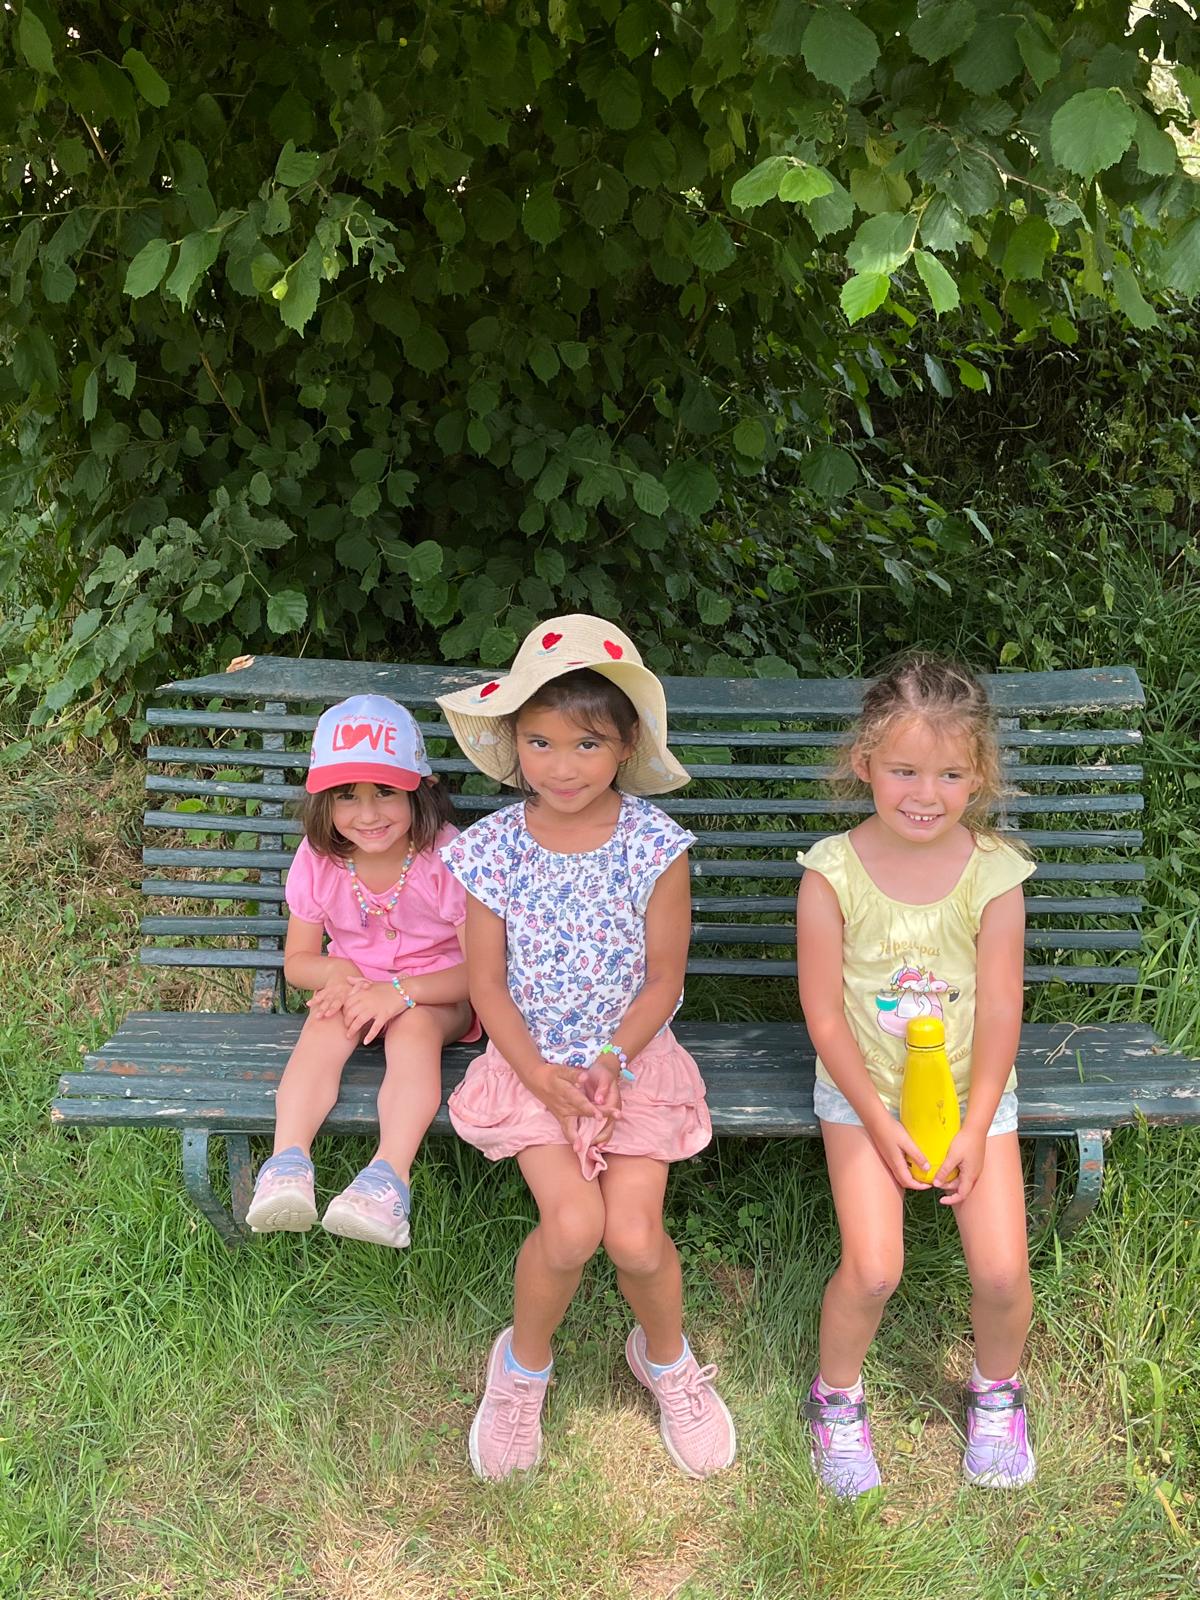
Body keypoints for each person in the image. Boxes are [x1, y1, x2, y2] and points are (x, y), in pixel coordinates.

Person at [437, 615, 736, 1482]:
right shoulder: (493, 850)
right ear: (512, 742)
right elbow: (487, 986)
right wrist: (539, 1075)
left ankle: (666, 1359)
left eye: (586, 744)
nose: (560, 766)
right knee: (572, 1227)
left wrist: (611, 1059)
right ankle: (521, 1368)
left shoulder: (654, 845)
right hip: (530, 1064)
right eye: (539, 742)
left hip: (631, 1060)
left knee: (634, 1238)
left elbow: (664, 978)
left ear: (625, 744)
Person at [796, 654, 1036, 1496]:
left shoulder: (994, 873)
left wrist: (974, 1125)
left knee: (1002, 1272)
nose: (925, 794)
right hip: (861, 1093)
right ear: (863, 763)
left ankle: (998, 1391)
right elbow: (825, 1016)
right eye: (903, 770)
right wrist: (876, 1116)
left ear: (980, 776)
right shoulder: (831, 873)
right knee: (873, 1268)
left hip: (974, 1096)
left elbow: (1000, 1009)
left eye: (949, 774)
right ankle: (834, 1399)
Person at [245, 694, 477, 1248]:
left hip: (438, 993)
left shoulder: (446, 857)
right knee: (324, 1021)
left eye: (385, 792)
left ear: (419, 789)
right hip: (357, 987)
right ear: (323, 801)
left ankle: (387, 1179)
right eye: (347, 795)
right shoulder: (319, 859)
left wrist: (401, 991)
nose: (368, 814)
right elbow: (298, 962)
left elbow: (482, 972)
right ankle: (287, 1163)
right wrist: (339, 972)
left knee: (414, 1030)